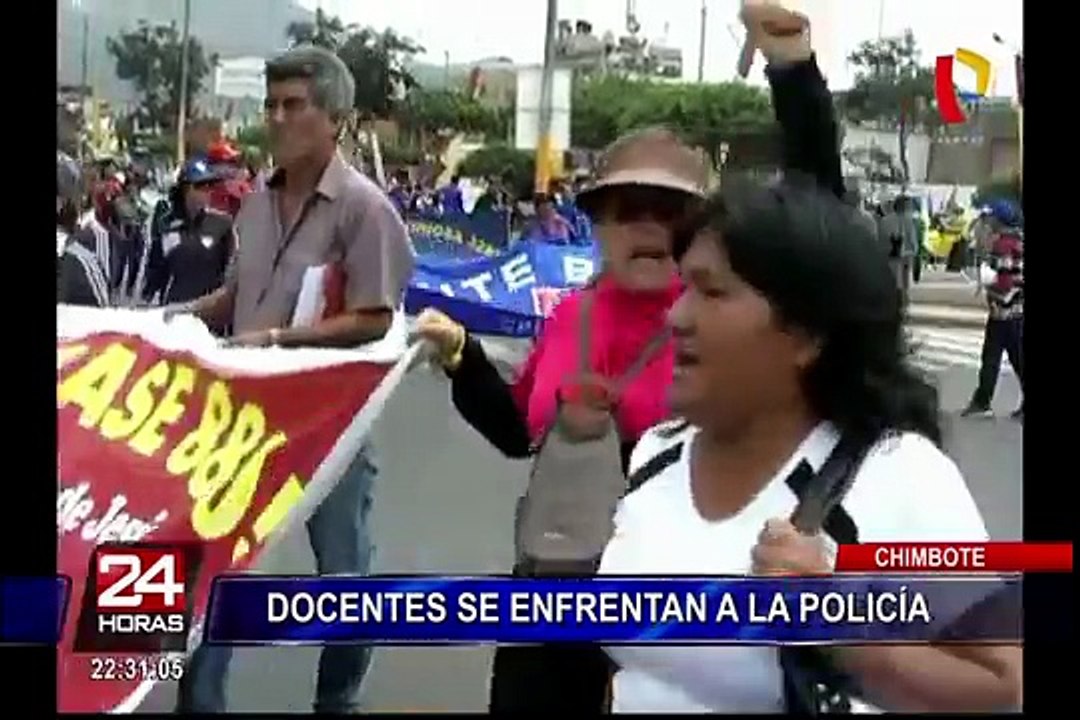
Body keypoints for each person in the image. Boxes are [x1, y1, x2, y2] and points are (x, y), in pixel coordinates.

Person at [413, 1, 845, 708]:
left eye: (669, 208)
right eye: (625, 206)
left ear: (704, 225)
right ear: (596, 222)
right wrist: (461, 356)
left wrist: (793, 73)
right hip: (545, 602)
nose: (647, 223)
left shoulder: (735, 319)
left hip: (677, 619)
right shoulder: (569, 318)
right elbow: (521, 431)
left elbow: (821, 234)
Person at [598, 4, 1022, 712]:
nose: (675, 316)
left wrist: (843, 629)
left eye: (712, 293)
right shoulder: (657, 455)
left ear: (804, 334)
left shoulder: (897, 475)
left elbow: (1003, 685)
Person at [173, 44, 415, 714]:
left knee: (345, 584)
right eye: (271, 105)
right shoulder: (252, 205)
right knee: (209, 575)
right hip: (238, 426)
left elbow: (374, 318)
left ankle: (337, 701)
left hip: (327, 430)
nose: (277, 120)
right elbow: (236, 292)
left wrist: (281, 339)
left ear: (334, 118)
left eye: (294, 105)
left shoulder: (366, 211)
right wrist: (172, 320)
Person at [141, 158, 235, 307]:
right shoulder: (165, 226)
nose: (206, 191)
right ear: (185, 189)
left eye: (210, 185)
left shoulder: (221, 224)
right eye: (200, 185)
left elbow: (231, 273)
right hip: (175, 313)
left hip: (210, 315)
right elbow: (153, 278)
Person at [962, 200, 1024, 420]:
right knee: (1014, 358)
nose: (988, 222)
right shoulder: (1018, 241)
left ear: (999, 220)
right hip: (1016, 309)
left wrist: (987, 282)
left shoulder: (1003, 245)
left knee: (992, 358)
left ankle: (982, 402)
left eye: (991, 218)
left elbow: (1005, 281)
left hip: (1003, 311)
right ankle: (982, 401)